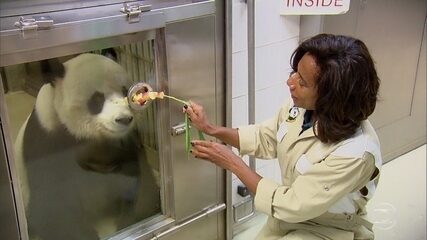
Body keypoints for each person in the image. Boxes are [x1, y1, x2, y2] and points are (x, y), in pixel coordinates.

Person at [184, 33, 382, 239]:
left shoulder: (354, 154)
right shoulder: (301, 109)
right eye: (295, 72)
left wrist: (233, 163)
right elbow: (266, 137)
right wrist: (210, 128)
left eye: (303, 82)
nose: (290, 82)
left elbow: (294, 204)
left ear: (331, 98)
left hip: (328, 227)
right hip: (288, 217)